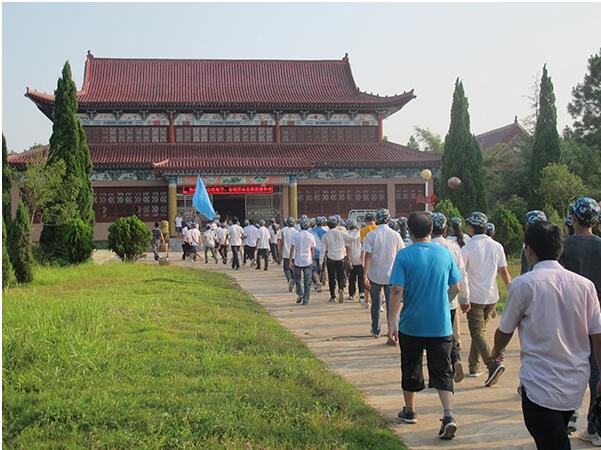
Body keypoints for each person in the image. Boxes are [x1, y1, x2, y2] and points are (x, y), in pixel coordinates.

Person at [491, 220, 601, 450]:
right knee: (554, 437)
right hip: (575, 384)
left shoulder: (523, 285)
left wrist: (496, 351)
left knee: (554, 442)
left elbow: (504, 331)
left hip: (539, 384)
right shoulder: (585, 286)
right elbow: (597, 335)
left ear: (528, 250)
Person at [388, 211, 462, 440]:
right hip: (441, 324)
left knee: (411, 365)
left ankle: (409, 411)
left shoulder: (404, 256)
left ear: (409, 231)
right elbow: (456, 288)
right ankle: (448, 414)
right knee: (442, 370)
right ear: (432, 230)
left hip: (412, 324)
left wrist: (391, 321)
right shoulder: (445, 253)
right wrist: (442, 300)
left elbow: (397, 290)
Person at [558, 197, 601, 445]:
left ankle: (567, 417)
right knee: (596, 369)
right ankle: (595, 427)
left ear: (573, 218)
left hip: (570, 315)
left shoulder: (564, 246)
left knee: (569, 366)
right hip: (597, 313)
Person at [461, 212, 511, 386]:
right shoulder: (496, 246)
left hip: (475, 296)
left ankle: (492, 364)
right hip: (491, 296)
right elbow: (504, 271)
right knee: (479, 330)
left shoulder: (467, 248)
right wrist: (510, 290)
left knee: (477, 331)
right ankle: (474, 366)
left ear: (471, 228)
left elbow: (463, 275)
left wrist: (463, 297)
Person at [431, 212, 470, 383]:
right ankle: (456, 359)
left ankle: (442, 369)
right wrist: (465, 298)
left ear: (431, 229)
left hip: (431, 300)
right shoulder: (454, 247)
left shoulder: (427, 247)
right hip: (451, 298)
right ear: (445, 228)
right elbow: (462, 274)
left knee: (434, 337)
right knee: (450, 333)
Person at [363, 208, 405, 342]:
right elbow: (401, 255)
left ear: (377, 220)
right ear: (388, 219)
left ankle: (376, 329)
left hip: (375, 274)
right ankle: (392, 330)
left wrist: (365, 274)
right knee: (392, 305)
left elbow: (368, 256)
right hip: (392, 275)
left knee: (375, 303)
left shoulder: (371, 235)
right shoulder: (395, 235)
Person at [321, 215, 354, 303]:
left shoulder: (325, 236)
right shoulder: (341, 233)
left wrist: (321, 262)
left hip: (330, 258)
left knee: (331, 277)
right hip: (341, 257)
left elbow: (322, 250)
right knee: (340, 276)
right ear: (336, 224)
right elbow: (351, 239)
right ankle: (341, 289)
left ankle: (333, 296)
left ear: (328, 225)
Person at [289, 218, 316, 305]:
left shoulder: (296, 235)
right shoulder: (311, 236)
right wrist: (312, 259)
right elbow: (312, 249)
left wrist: (290, 261)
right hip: (308, 260)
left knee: (297, 279)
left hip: (298, 260)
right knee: (307, 281)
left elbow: (292, 248)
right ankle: (306, 299)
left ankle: (300, 293)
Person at [359, 212, 378, 307]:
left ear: (366, 221)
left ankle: (367, 301)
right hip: (379, 257)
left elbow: (363, 247)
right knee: (380, 281)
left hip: (368, 258)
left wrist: (362, 259)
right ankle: (381, 302)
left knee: (367, 279)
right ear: (375, 220)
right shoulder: (379, 229)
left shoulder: (363, 230)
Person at [345, 220, 364, 302]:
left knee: (352, 278)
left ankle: (352, 294)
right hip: (360, 259)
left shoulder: (347, 235)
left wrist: (349, 261)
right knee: (361, 278)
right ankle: (362, 294)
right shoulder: (361, 233)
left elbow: (348, 250)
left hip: (352, 258)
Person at [278, 217, 299, 292]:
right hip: (295, 253)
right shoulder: (296, 232)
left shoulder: (283, 231)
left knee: (286, 268)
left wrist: (279, 253)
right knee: (294, 269)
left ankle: (289, 280)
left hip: (286, 253)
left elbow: (281, 243)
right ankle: (293, 281)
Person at [309, 217, 326, 293]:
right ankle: (319, 282)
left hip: (313, 253)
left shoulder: (311, 231)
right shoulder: (325, 232)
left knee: (314, 269)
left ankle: (317, 282)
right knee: (321, 269)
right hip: (322, 253)